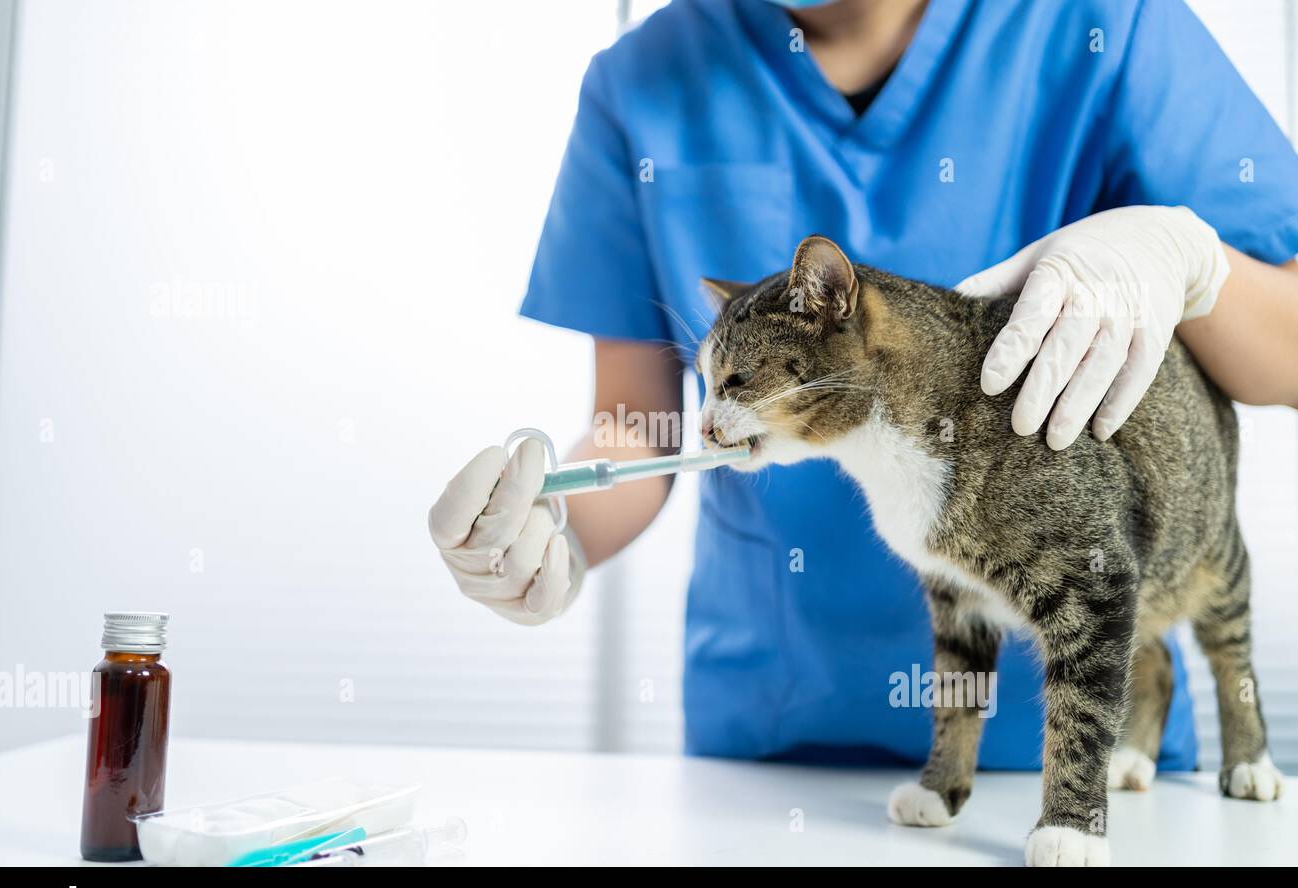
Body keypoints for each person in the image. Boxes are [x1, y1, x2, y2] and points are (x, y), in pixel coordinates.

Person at [430, 0, 1298, 769]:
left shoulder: (1106, 24)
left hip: (1087, 751)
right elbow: (640, 430)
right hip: (770, 745)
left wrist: (1192, 261)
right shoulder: (645, 76)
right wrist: (552, 534)